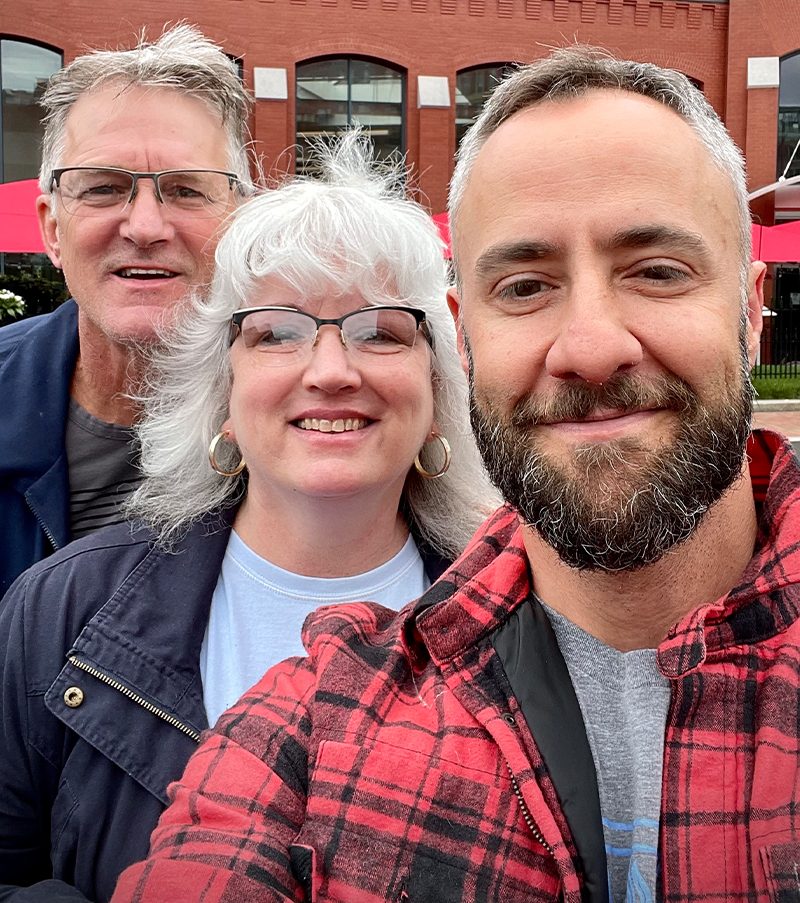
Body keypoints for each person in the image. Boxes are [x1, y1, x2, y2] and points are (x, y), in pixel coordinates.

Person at [113, 48, 800, 903]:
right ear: (463, 336)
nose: (588, 347)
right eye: (524, 287)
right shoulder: (315, 727)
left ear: (749, 304)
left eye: (657, 272)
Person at [0, 134, 493, 902]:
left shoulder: (520, 618)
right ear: (221, 391)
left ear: (437, 384)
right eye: (278, 332)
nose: (331, 371)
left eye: (379, 331)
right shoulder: (60, 611)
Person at [0, 24, 253, 596]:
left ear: (239, 220)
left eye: (187, 190)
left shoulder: (312, 412)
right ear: (52, 229)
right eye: (102, 188)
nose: (144, 227)